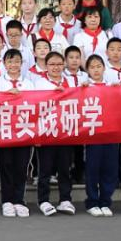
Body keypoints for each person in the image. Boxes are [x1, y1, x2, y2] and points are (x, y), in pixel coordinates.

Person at [32, 51, 76, 216]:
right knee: (45, 169)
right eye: (52, 64)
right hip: (46, 132)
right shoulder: (39, 83)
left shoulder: (71, 81)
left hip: (65, 131)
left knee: (65, 168)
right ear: (46, 66)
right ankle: (43, 200)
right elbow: (34, 106)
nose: (56, 67)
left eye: (59, 64)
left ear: (64, 65)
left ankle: (65, 199)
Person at [0, 49, 34, 218]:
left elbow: (35, 104)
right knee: (6, 165)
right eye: (10, 62)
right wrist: (7, 96)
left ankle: (19, 200)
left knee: (21, 166)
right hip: (5, 130)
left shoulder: (28, 83)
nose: (14, 65)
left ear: (22, 63)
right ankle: (7, 201)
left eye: (17, 61)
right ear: (4, 64)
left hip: (24, 130)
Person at [82, 54, 120, 217]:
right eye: (92, 67)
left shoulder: (112, 86)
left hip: (110, 133)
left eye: (98, 66)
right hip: (93, 134)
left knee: (110, 169)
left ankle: (105, 201)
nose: (96, 70)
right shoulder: (84, 86)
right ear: (87, 70)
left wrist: (118, 90)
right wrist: (82, 89)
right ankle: (92, 202)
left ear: (104, 68)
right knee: (92, 169)